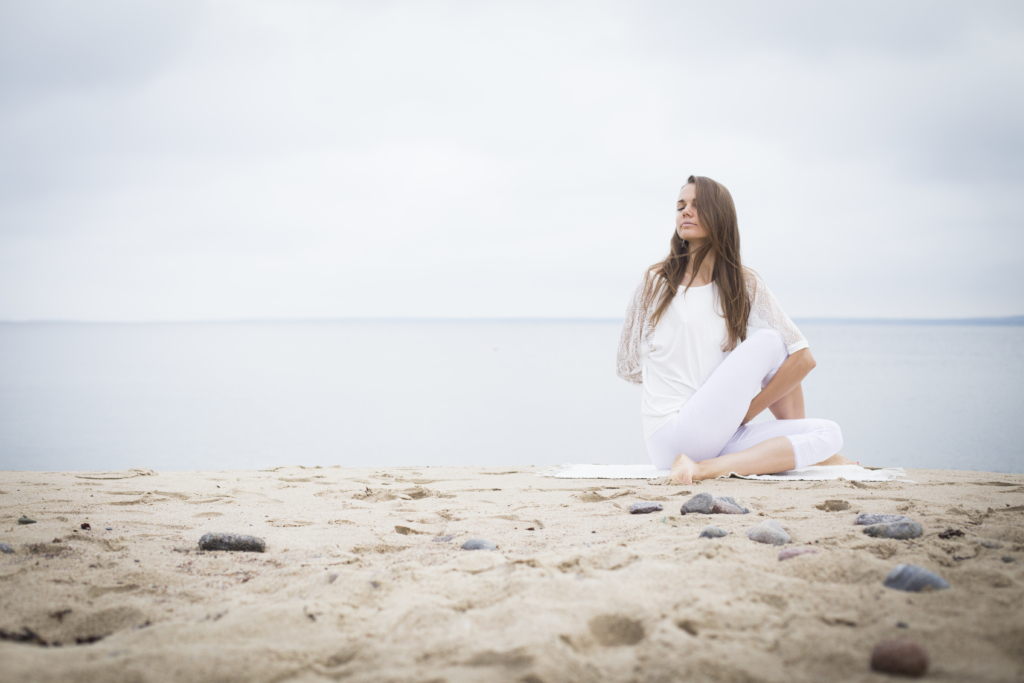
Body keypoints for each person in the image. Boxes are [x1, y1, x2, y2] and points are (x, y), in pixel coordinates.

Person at [616, 175, 849, 484]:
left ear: (720, 215)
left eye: (697, 206)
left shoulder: (743, 284)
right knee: (772, 342)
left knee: (828, 433)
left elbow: (804, 360)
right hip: (670, 434)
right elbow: (626, 365)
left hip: (715, 433)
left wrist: (739, 412)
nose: (685, 212)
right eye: (680, 206)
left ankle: (706, 466)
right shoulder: (656, 282)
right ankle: (710, 466)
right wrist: (686, 385)